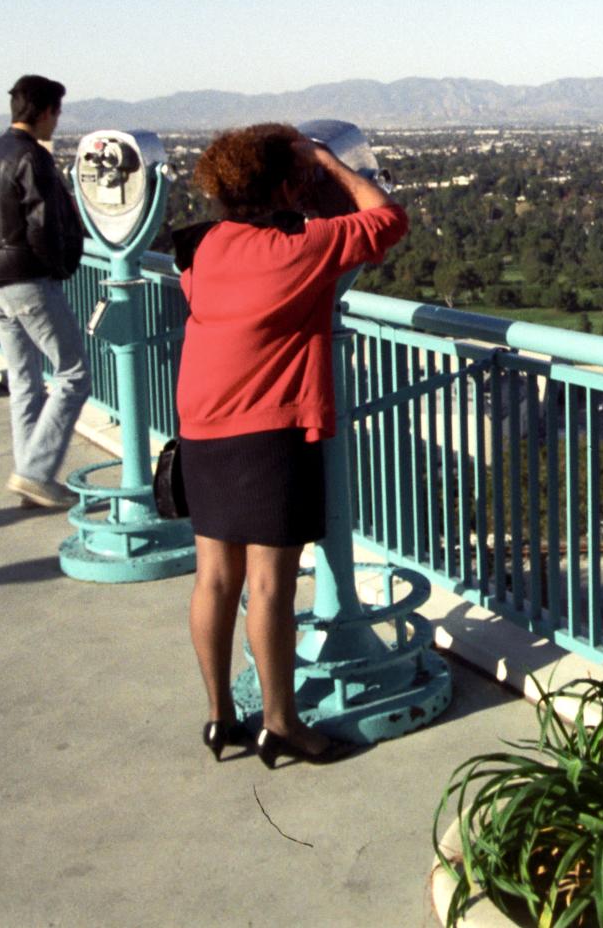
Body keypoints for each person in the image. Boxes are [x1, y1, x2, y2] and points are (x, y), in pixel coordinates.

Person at [171, 124, 406, 765]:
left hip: (201, 422)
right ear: (283, 183)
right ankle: (282, 725)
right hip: (268, 427)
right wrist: (329, 162)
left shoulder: (201, 248)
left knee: (215, 577)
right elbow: (387, 219)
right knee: (271, 584)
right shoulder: (297, 249)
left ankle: (221, 718)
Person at [0, 75, 88, 510]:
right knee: (73, 374)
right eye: (58, 113)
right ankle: (34, 472)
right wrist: (60, 266)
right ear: (47, 112)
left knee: (24, 381)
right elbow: (43, 226)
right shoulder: (32, 158)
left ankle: (30, 472)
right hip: (27, 280)